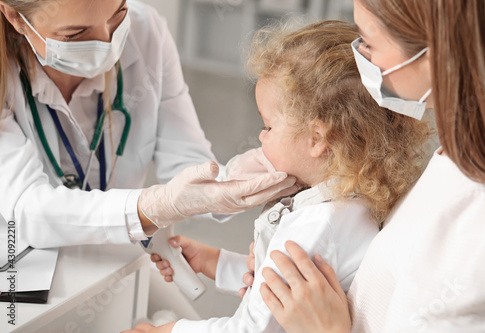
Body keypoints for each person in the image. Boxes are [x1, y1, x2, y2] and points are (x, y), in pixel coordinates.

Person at [128, 20, 430, 333]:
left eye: (268, 127)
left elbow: (252, 328)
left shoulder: (314, 225)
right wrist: (214, 262)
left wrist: (168, 331)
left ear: (316, 139)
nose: (260, 138)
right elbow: (283, 293)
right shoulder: (356, 203)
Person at [256, 0, 485, 332]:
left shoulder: (482, 222)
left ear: (435, 51)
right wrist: (303, 299)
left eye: (369, 43)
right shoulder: (459, 154)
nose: (360, 58)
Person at [0, 0, 298, 248]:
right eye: (75, 34)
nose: (107, 43)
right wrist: (154, 206)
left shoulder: (145, 32)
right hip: (21, 266)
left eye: (118, 15)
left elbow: (185, 159)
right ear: (16, 18)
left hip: (117, 252)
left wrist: (233, 178)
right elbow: (26, 211)